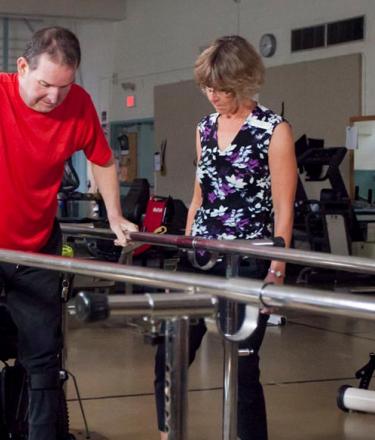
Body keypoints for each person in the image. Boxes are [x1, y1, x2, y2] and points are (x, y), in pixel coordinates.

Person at [154, 35, 297, 439]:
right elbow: (200, 195)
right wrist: (185, 249)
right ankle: (167, 433)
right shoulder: (203, 128)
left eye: (222, 89)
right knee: (170, 352)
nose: (213, 96)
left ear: (246, 81)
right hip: (201, 255)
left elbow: (284, 207)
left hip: (249, 258)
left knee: (244, 367)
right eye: (207, 88)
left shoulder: (274, 130)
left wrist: (277, 270)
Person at [0, 27, 137, 440]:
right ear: (22, 67)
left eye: (65, 86)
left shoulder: (77, 104)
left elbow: (103, 159)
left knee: (42, 359)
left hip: (36, 250)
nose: (54, 97)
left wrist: (114, 215)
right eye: (44, 85)